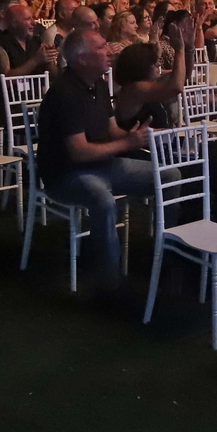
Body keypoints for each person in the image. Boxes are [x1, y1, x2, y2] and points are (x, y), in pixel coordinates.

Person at [36, 30, 158, 294]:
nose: (110, 51)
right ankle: (107, 281)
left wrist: (135, 136)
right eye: (102, 47)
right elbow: (79, 152)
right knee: (103, 201)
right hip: (66, 174)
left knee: (169, 177)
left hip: (102, 166)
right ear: (82, 59)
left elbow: (112, 130)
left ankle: (161, 252)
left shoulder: (99, 84)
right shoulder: (64, 93)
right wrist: (128, 144)